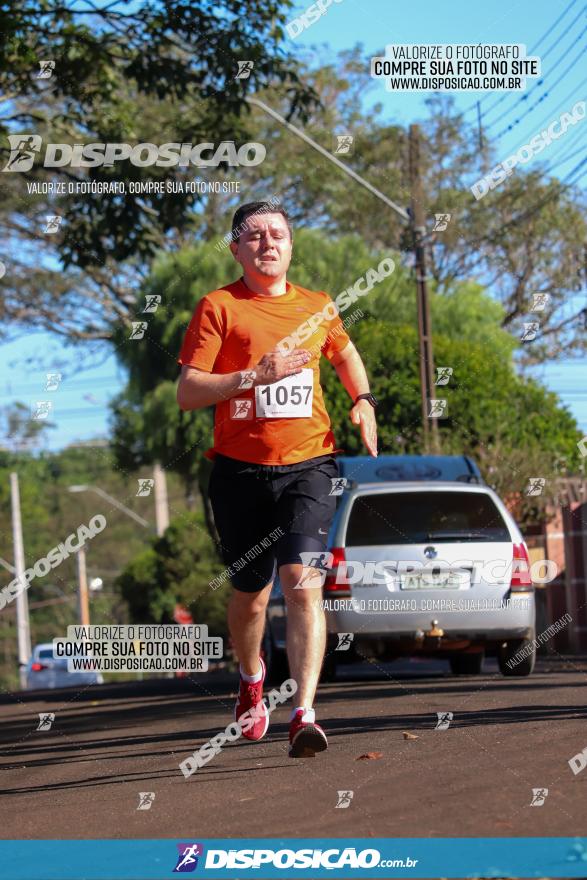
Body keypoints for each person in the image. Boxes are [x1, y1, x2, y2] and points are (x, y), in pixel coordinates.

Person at [176, 201, 377, 758]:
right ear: (236, 248)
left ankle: (305, 714)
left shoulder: (318, 307)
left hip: (310, 465)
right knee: (252, 597)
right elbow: (189, 392)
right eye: (255, 235)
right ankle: (250, 678)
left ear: (291, 246)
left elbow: (346, 354)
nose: (268, 242)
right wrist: (251, 378)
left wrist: (362, 400)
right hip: (240, 472)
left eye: (278, 234)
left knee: (303, 581)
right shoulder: (218, 307)